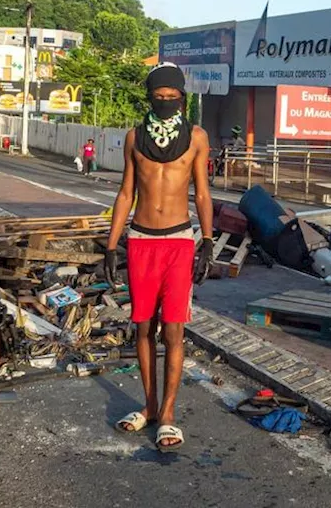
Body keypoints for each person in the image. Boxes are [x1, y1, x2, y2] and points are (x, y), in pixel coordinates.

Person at [105, 62, 214, 451]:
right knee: (142, 327)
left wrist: (208, 241)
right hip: (140, 240)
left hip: (179, 241)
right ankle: (149, 407)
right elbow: (125, 194)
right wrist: (111, 243)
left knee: (174, 330)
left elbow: (202, 193)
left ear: (182, 99)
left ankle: (168, 413)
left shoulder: (197, 138)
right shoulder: (134, 138)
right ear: (150, 98)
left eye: (172, 97)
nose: (166, 102)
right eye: (159, 97)